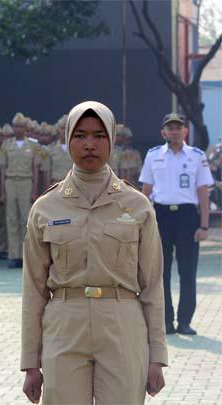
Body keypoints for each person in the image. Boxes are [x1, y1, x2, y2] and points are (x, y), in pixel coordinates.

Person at [21, 101, 167, 404]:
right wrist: (30, 362)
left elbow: (153, 284)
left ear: (112, 139)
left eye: (99, 136)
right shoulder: (45, 207)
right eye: (80, 135)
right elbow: (33, 289)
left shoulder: (137, 205)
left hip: (123, 323)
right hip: (64, 324)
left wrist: (157, 356)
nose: (90, 144)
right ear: (67, 140)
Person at [139, 112, 214, 335]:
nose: (174, 131)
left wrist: (204, 226)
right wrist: (144, 222)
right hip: (161, 216)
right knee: (160, 272)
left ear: (185, 131)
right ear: (163, 132)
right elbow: (146, 192)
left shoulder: (196, 156)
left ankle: (184, 321)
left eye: (178, 127)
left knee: (188, 271)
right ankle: (166, 321)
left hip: (187, 217)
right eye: (170, 127)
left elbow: (203, 193)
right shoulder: (153, 156)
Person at [0, 113, 42, 268]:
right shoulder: (6, 145)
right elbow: (3, 168)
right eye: (16, 126)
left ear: (25, 128)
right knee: (11, 219)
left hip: (26, 182)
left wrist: (35, 190)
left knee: (26, 220)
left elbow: (36, 168)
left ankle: (26, 256)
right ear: (12, 128)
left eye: (21, 126)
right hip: (10, 182)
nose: (18, 129)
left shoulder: (33, 145)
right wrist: (3, 192)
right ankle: (14, 255)